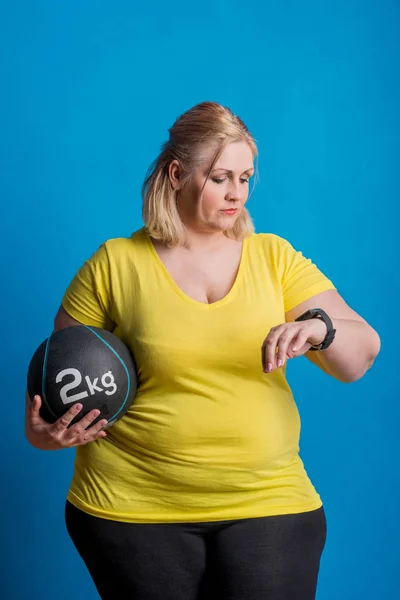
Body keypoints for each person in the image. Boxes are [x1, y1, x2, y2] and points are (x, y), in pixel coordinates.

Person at [25, 101, 381, 600]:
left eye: (246, 177)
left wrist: (321, 329)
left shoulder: (274, 257)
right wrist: (46, 434)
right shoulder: (114, 264)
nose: (237, 192)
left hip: (269, 500)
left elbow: (362, 355)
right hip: (133, 508)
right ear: (176, 174)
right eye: (221, 177)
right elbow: (49, 398)